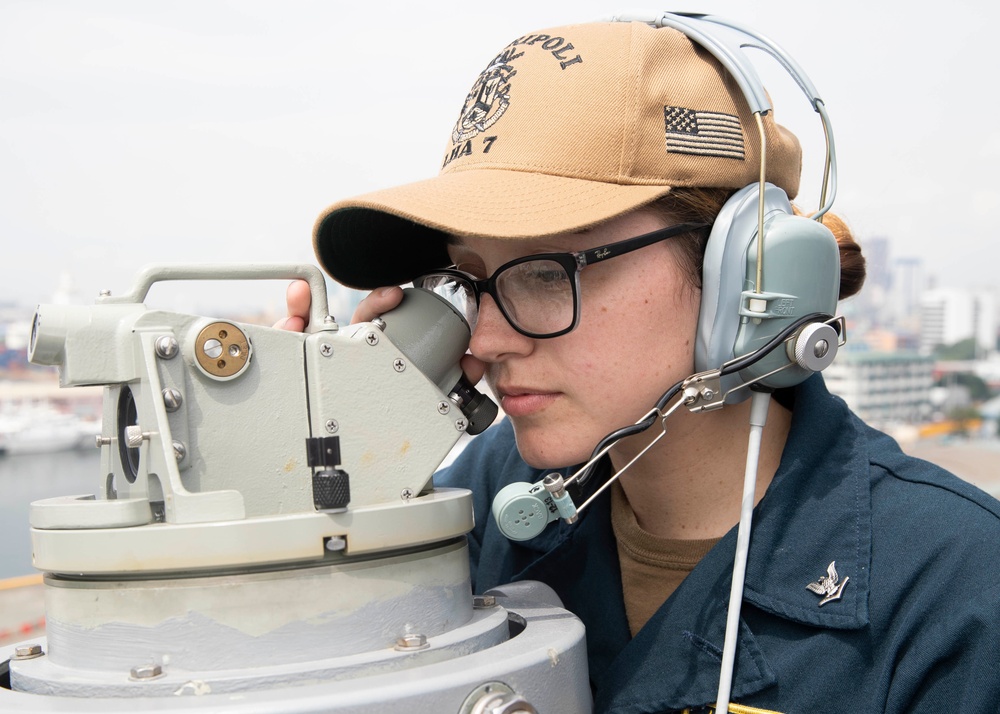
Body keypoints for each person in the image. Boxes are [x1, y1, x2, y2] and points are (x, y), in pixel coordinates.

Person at [285, 18, 1000, 713]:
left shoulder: (954, 593)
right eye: (467, 283)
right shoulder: (482, 504)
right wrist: (329, 464)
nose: (491, 339)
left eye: (543, 271)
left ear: (742, 273)